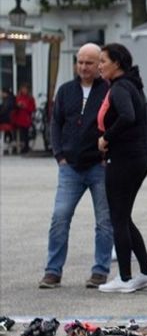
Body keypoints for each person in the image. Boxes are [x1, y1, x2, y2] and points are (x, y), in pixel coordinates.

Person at [41, 43, 113, 289]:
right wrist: (59, 155)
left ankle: (100, 270)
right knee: (59, 217)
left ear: (99, 64)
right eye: (80, 62)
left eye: (90, 62)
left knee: (104, 221)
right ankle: (52, 271)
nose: (84, 67)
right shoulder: (65, 90)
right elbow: (56, 123)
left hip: (99, 166)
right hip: (70, 166)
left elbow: (117, 123)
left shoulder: (108, 90)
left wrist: (108, 155)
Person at [95, 44, 147, 293]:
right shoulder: (128, 84)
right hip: (132, 159)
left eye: (103, 61)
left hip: (124, 159)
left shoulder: (121, 87)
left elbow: (127, 116)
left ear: (117, 63)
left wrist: (106, 138)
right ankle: (146, 271)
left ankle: (125, 276)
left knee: (118, 218)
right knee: (123, 217)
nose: (100, 65)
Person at [13, 84, 35, 153]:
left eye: (25, 89)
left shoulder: (30, 98)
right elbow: (14, 107)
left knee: (25, 133)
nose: (24, 90)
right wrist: (18, 105)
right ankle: (19, 147)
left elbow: (33, 108)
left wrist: (25, 107)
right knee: (19, 133)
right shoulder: (18, 97)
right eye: (23, 89)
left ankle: (26, 147)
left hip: (26, 118)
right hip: (18, 118)